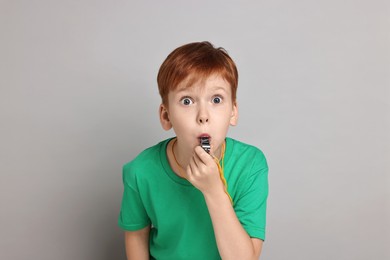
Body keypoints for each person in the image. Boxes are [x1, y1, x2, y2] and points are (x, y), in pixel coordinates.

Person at [118, 41, 269, 260]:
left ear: (233, 112)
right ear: (166, 115)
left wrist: (214, 190)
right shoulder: (140, 171)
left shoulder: (251, 165)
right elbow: (136, 238)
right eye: (187, 101)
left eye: (216, 100)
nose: (203, 115)